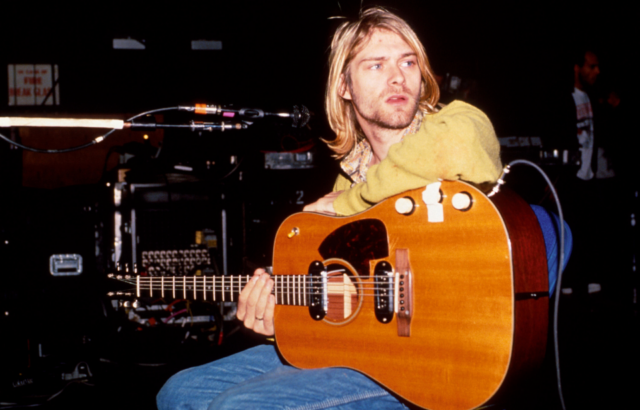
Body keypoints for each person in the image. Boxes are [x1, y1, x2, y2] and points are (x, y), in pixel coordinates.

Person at [157, 7, 567, 409]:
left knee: (239, 406)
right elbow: (336, 301)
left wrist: (347, 207)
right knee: (179, 393)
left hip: (431, 358)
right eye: (376, 65)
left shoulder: (455, 124)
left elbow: (458, 149)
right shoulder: (348, 177)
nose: (397, 76)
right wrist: (273, 322)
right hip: (364, 349)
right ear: (345, 87)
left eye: (408, 62)